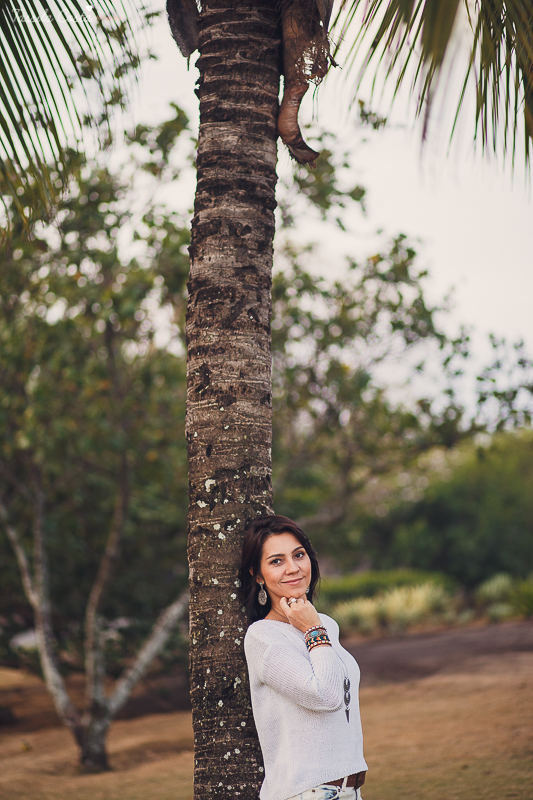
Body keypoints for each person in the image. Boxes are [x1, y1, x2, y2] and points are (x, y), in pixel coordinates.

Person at [240, 515, 368, 800]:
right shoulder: (263, 637)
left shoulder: (326, 624)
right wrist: (313, 629)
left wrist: (315, 627)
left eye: (299, 555)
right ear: (258, 575)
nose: (293, 568)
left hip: (350, 789)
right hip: (307, 792)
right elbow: (326, 697)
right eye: (276, 561)